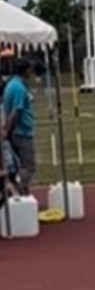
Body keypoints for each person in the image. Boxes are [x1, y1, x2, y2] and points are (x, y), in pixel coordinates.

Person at [1, 57, 36, 195]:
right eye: (30, 69)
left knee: (17, 165)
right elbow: (16, 110)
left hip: (16, 131)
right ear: (25, 70)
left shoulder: (11, 85)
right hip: (22, 132)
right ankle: (18, 190)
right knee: (29, 166)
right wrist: (8, 129)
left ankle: (20, 189)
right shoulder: (19, 88)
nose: (31, 72)